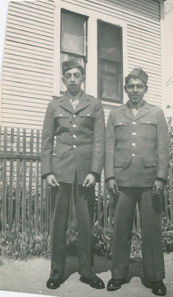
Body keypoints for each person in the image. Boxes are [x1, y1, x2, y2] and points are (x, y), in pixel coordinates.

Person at [41, 58, 105, 290]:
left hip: (85, 174)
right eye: (68, 76)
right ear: (63, 79)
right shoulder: (54, 105)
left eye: (76, 75)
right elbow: (47, 141)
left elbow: (99, 142)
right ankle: (56, 272)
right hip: (60, 173)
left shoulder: (94, 105)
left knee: (85, 224)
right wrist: (47, 171)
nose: (72, 80)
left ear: (83, 78)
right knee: (58, 225)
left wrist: (95, 172)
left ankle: (87, 272)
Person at [105, 68, 169, 296]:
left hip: (149, 180)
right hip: (122, 180)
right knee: (121, 228)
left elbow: (163, 148)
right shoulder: (115, 114)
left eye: (138, 86)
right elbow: (109, 147)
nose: (134, 90)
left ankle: (155, 277)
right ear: (125, 89)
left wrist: (161, 176)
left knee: (151, 230)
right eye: (131, 86)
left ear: (145, 89)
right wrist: (110, 176)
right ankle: (118, 274)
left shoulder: (156, 113)